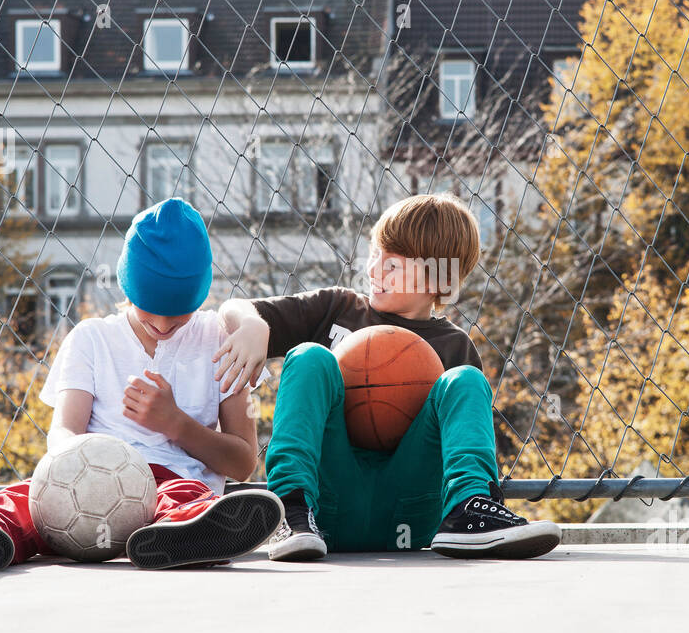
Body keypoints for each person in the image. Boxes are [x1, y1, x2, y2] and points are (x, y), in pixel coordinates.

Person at [0, 197, 282, 571]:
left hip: (171, 485)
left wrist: (176, 424)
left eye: (178, 316)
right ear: (126, 286)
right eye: (149, 309)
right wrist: (76, 471)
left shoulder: (220, 343)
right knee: (26, 501)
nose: (161, 325)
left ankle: (187, 538)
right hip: (82, 486)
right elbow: (65, 428)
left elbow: (243, 462)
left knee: (185, 498)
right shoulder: (91, 339)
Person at [214, 193, 561, 562]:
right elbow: (232, 307)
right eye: (375, 255)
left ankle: (470, 511)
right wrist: (251, 323)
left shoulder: (454, 347)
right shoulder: (337, 308)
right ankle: (287, 508)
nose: (375, 270)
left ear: (437, 276)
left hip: (412, 508)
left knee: (466, 380)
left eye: (392, 265)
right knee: (308, 356)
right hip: (323, 505)